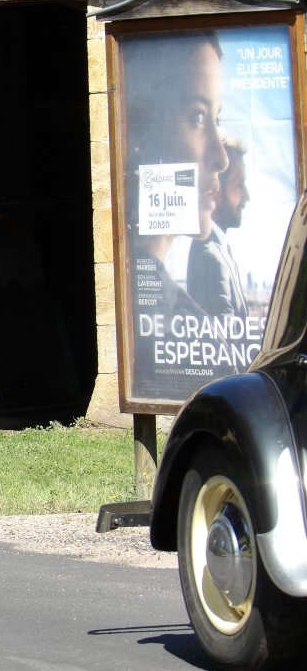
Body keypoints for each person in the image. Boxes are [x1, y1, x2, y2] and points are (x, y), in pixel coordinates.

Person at [122, 31, 231, 399]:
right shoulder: (153, 304)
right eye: (198, 116)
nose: (221, 156)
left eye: (217, 117)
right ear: (144, 128)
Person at [187, 138, 250, 321]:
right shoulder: (210, 257)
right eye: (239, 185)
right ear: (216, 189)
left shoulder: (219, 248)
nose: (247, 197)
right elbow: (224, 343)